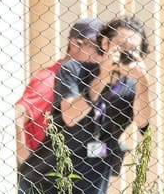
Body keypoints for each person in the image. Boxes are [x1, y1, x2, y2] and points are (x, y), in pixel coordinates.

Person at [18, 16, 155, 194]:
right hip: (41, 180)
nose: (125, 54)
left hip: (84, 191)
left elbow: (143, 122)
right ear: (104, 44)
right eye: (120, 47)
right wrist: (102, 75)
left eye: (132, 50)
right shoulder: (73, 70)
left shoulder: (132, 87)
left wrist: (142, 80)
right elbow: (71, 116)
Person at [14, 17, 104, 164]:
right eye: (97, 49)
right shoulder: (50, 78)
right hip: (47, 175)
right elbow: (17, 115)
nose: (101, 57)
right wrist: (27, 164)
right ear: (75, 44)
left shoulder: (91, 82)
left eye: (104, 51)